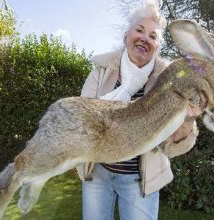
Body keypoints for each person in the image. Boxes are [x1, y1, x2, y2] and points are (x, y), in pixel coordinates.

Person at [77, 1, 201, 219]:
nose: (145, 38)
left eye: (153, 36)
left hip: (139, 180)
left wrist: (188, 120)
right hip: (98, 174)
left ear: (156, 47)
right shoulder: (101, 72)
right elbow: (81, 120)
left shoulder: (169, 83)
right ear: (127, 37)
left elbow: (171, 145)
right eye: (140, 30)